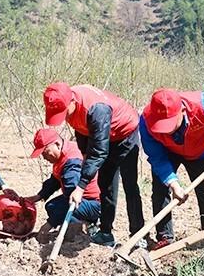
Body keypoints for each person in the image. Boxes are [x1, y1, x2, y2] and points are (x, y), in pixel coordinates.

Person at [42, 83, 144, 247]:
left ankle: (138, 236)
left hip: (125, 133)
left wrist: (81, 187)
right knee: (106, 184)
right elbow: (82, 133)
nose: (63, 117)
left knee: (130, 185)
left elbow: (99, 151)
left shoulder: (97, 110)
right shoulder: (70, 107)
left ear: (72, 102)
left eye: (62, 112)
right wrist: (85, 159)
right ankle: (105, 233)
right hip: (104, 136)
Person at [139, 88, 204, 250]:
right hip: (167, 151)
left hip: (199, 151)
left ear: (182, 111)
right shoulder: (146, 120)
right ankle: (165, 237)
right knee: (160, 190)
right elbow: (157, 157)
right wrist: (174, 184)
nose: (166, 130)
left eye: (169, 123)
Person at [22, 128, 101, 243]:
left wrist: (48, 225)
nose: (44, 157)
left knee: (58, 208)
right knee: (51, 206)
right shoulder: (63, 154)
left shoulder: (72, 161)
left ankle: (89, 223)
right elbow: (55, 179)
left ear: (57, 144)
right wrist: (39, 196)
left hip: (93, 203)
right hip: (81, 200)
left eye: (45, 152)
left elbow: (71, 199)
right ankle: (77, 224)